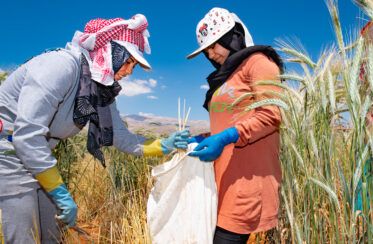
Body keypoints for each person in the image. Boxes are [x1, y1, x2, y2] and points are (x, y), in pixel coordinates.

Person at [0, 14, 189, 243]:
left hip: (39, 155)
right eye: (129, 61)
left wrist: (164, 145)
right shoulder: (60, 66)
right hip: (10, 153)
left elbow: (122, 138)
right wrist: (60, 192)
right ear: (110, 50)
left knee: (51, 233)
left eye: (134, 66)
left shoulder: (99, 90)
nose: (130, 71)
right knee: (24, 236)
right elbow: (27, 136)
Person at [187, 7, 283, 243]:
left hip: (246, 185)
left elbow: (271, 114)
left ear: (232, 36)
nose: (210, 55)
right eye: (206, 50)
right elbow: (232, 121)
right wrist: (207, 136)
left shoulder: (259, 63)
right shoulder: (225, 78)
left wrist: (225, 137)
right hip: (220, 185)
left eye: (214, 45)